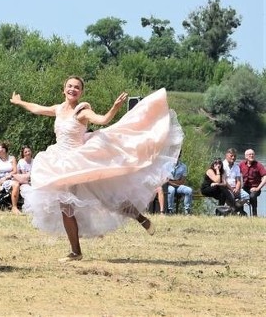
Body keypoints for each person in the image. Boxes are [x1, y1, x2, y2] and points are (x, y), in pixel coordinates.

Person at [10, 76, 183, 262]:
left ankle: (140, 218)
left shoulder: (82, 112)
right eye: (70, 86)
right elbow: (37, 108)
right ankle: (76, 252)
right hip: (59, 161)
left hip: (79, 161)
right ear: (64, 89)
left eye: (77, 87)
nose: (72, 89)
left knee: (108, 198)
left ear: (81, 92)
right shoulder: (58, 109)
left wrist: (115, 107)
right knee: (65, 205)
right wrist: (20, 102)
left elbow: (102, 120)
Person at [0, 142, 21, 214]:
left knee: (16, 184)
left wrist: (7, 177)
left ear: (4, 150)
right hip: (2, 181)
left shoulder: (12, 158)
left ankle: (14, 207)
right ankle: (14, 207)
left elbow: (15, 171)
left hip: (11, 178)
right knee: (16, 184)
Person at [222, 148, 250, 215]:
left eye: (234, 156)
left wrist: (237, 188)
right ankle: (234, 210)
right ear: (226, 155)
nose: (233, 158)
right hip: (226, 188)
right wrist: (232, 189)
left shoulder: (236, 167)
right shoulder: (222, 165)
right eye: (231, 156)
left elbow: (238, 180)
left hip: (236, 188)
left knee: (246, 196)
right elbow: (224, 181)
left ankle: (232, 210)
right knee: (231, 197)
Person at [239, 148, 266, 216]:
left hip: (255, 188)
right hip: (244, 187)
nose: (251, 155)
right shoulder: (241, 164)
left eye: (253, 154)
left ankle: (254, 214)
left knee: (252, 196)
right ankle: (242, 213)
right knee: (239, 195)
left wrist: (258, 188)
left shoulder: (258, 165)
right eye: (249, 154)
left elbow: (265, 177)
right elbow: (236, 175)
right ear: (246, 156)